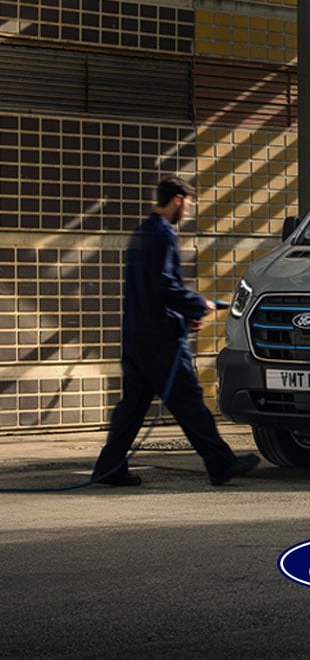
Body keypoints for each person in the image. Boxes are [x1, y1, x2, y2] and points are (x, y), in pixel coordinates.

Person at [92, 176, 259, 486]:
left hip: (137, 336)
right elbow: (165, 286)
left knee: (132, 407)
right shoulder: (163, 234)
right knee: (188, 401)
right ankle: (221, 463)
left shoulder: (142, 232)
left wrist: (184, 313)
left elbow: (149, 290)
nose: (189, 210)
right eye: (189, 204)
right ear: (178, 200)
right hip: (161, 341)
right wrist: (197, 304)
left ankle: (108, 467)